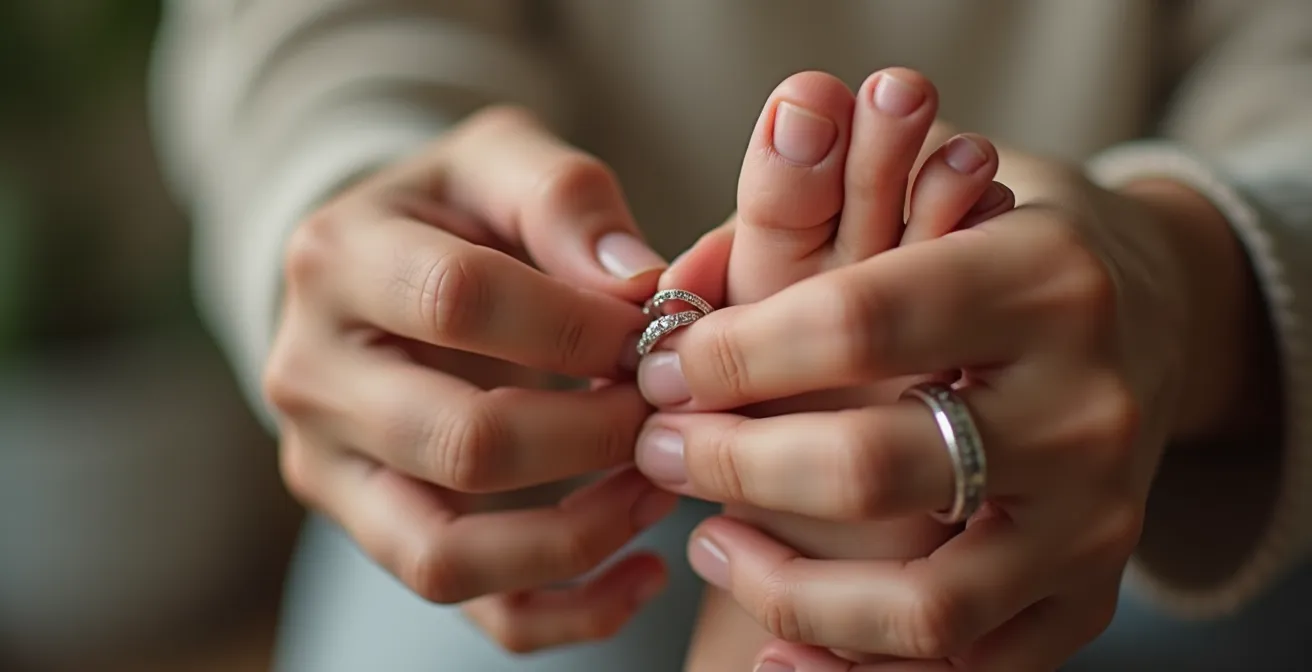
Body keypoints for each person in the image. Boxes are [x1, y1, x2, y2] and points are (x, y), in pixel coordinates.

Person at [150, 1, 1312, 670]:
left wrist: (1183, 283)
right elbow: (316, 30)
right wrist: (363, 205)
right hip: (540, 431)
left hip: (1161, 438)